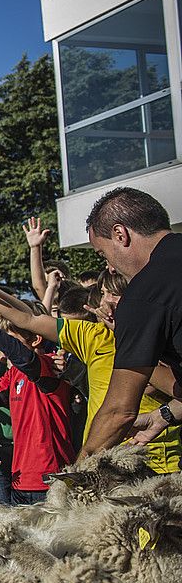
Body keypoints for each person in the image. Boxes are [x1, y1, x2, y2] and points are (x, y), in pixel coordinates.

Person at [0, 255, 180, 474]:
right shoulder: (93, 335)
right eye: (103, 294)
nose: (107, 302)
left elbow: (176, 390)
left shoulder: (164, 336)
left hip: (156, 466)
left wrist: (131, 341)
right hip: (102, 465)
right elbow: (29, 319)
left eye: (116, 294)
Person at [80, 188, 182, 454]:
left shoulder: (144, 294)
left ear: (120, 234)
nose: (110, 268)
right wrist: (166, 414)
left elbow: (119, 411)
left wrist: (72, 479)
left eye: (103, 254)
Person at [0, 312, 73, 505]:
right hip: (21, 478)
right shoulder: (15, 373)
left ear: (36, 339)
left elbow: (25, 358)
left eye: (10, 339)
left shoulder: (49, 365)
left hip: (51, 480)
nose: (4, 346)